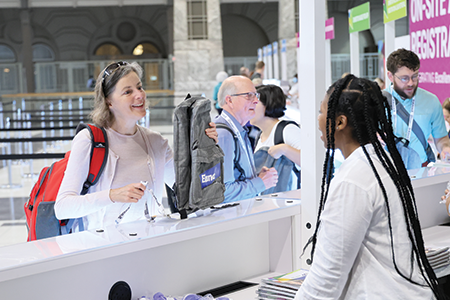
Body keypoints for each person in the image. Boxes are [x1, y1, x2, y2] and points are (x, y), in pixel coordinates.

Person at [295, 75, 445, 299]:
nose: (318, 119)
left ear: (340, 122)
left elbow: (326, 281)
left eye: (321, 111)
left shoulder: (353, 180)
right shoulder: (382, 163)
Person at [55, 61, 218, 231]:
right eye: (128, 92)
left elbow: (191, 191)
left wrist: (206, 148)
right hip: (105, 250)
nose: (139, 95)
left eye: (139, 87)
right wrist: (112, 195)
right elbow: (63, 208)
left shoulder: (156, 142)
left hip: (149, 246)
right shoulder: (90, 140)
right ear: (109, 101)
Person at [215, 75, 278, 203]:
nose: (255, 101)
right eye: (249, 95)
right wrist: (260, 183)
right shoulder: (223, 135)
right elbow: (223, 193)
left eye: (256, 95)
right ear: (229, 100)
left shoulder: (239, 130)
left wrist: (255, 175)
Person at [384, 48, 450, 169]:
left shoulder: (431, 101)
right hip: (386, 171)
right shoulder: (377, 102)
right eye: (404, 78)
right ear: (390, 76)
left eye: (415, 76)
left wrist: (445, 149)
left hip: (420, 171)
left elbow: (441, 138)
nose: (411, 83)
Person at [250, 84, 300, 172]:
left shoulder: (287, 130)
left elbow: (311, 161)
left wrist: (285, 149)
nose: (250, 108)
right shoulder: (261, 135)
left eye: (255, 103)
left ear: (268, 104)